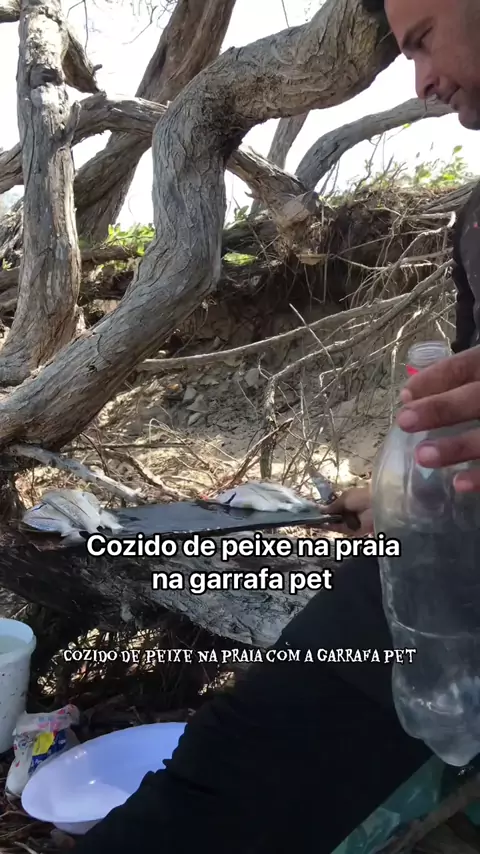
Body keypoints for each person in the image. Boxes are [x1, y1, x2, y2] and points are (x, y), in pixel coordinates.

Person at [74, 2, 480, 852]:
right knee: (221, 774)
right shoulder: (477, 221)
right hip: (438, 588)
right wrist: (407, 495)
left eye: (422, 39)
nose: (422, 82)